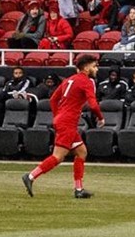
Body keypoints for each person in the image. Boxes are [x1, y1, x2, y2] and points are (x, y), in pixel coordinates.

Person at [22, 54, 100, 199]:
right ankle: (31, 176)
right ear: (86, 67)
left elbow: (53, 99)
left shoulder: (68, 80)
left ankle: (78, 189)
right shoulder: (86, 81)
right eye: (94, 66)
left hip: (63, 120)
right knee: (58, 157)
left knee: (82, 152)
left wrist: (58, 116)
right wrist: (100, 118)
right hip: (68, 122)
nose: (97, 69)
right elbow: (94, 104)